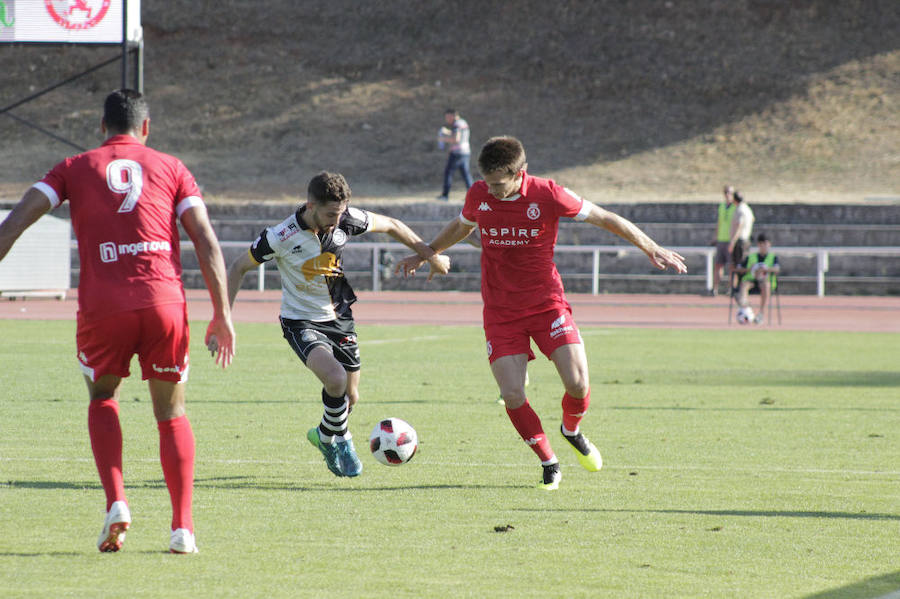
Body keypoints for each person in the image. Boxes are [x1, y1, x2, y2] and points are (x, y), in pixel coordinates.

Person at [0, 89, 236, 554]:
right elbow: (205, 240)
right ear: (146, 128)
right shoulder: (171, 168)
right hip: (162, 303)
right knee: (171, 414)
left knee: (104, 397)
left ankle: (117, 502)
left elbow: (16, 221)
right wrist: (223, 314)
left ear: (101, 127)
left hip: (103, 306)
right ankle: (183, 529)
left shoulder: (72, 167)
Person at [397, 136, 687, 490]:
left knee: (578, 384)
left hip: (547, 304)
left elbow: (604, 217)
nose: (493, 191)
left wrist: (650, 247)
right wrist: (426, 252)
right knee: (513, 394)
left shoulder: (549, 194)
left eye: (500, 185)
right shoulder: (479, 194)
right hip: (501, 310)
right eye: (488, 183)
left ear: (521, 174)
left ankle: (571, 430)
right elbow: (462, 226)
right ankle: (549, 462)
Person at [225, 171, 449, 478]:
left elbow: (393, 225)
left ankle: (324, 435)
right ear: (311, 205)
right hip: (300, 320)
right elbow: (238, 267)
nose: (337, 220)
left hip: (340, 316)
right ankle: (343, 441)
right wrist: (223, 317)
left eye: (341, 213)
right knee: (335, 379)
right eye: (331, 214)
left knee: (350, 397)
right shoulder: (280, 236)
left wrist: (429, 255)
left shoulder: (346, 219)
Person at [735, 233, 780, 325]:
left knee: (765, 285)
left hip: (765, 282)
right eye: (762, 244)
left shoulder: (773, 257)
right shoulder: (751, 257)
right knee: (744, 285)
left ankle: (761, 314)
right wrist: (750, 269)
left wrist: (766, 269)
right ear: (759, 245)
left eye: (766, 244)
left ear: (769, 244)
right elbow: (738, 268)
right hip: (751, 281)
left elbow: (777, 269)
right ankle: (746, 309)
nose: (764, 246)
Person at [436, 108, 473, 201]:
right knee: (466, 174)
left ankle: (445, 195)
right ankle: (473, 195)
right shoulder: (463, 123)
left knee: (448, 173)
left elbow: (456, 139)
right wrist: (447, 132)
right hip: (465, 151)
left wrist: (443, 139)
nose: (447, 119)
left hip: (457, 152)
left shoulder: (456, 124)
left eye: (448, 117)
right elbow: (458, 135)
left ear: (453, 115)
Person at [710, 185, 736, 296]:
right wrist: (715, 236)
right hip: (721, 239)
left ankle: (731, 288)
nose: (727, 195)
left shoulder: (736, 207)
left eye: (729, 192)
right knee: (718, 265)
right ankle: (715, 289)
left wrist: (734, 240)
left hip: (731, 240)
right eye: (726, 192)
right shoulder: (721, 206)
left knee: (732, 266)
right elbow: (719, 222)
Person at [728, 190, 755, 289]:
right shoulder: (747, 208)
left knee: (739, 265)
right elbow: (752, 219)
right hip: (746, 239)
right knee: (742, 263)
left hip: (740, 241)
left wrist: (732, 241)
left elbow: (739, 225)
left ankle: (739, 287)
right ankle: (739, 286)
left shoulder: (740, 209)